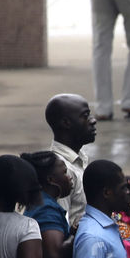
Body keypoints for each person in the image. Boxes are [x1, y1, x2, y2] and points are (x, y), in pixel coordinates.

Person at [46, 93, 97, 229]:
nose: (93, 121)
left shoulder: (80, 158)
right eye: (85, 116)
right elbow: (61, 225)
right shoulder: (61, 169)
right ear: (66, 123)